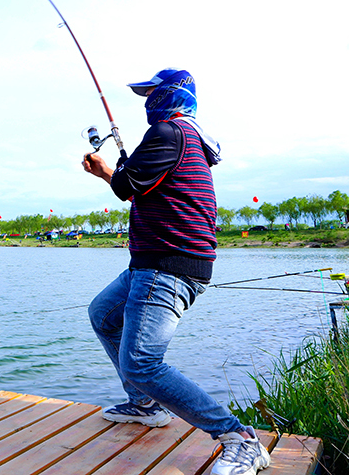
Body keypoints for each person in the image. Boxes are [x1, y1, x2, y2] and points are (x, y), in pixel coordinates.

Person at [82, 68, 270, 475]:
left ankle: (239, 438)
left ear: (169, 95)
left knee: (142, 362)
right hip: (153, 262)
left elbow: (125, 186)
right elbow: (139, 183)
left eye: (150, 93)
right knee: (103, 314)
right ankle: (146, 404)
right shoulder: (189, 138)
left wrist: (103, 170)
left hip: (167, 265)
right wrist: (120, 168)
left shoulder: (168, 133)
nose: (147, 102)